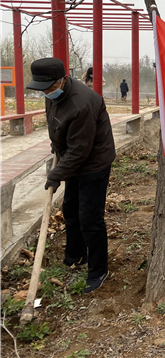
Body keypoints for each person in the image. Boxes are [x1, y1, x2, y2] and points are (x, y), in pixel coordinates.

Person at [26, 58, 116, 293]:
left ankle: (98, 270)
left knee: (90, 218)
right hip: (72, 159)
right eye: (42, 88)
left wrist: (57, 173)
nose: (46, 93)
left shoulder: (82, 103)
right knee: (70, 210)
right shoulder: (51, 95)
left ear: (63, 80)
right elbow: (56, 127)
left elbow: (80, 149)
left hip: (93, 163)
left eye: (50, 87)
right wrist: (56, 151)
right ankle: (75, 255)